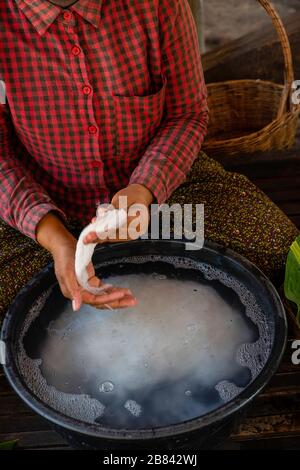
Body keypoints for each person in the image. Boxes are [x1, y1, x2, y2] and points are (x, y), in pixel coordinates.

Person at [0, 0, 298, 317]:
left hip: (164, 201)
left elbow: (187, 114)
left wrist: (144, 191)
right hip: (41, 213)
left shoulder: (158, 4)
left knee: (281, 249)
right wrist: (56, 240)